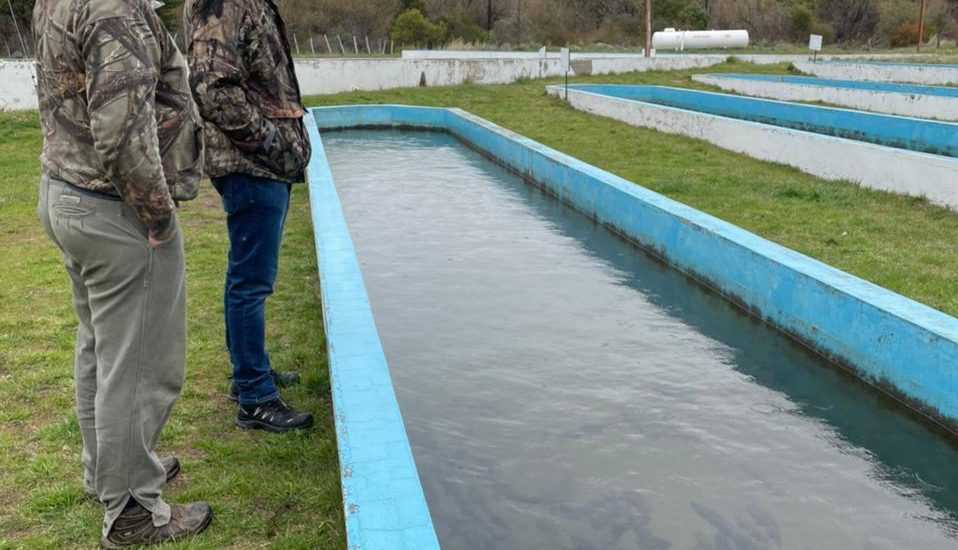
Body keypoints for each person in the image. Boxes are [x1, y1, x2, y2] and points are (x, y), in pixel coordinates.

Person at [33, 0, 212, 546]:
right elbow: (120, 131)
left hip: (67, 191)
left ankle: (108, 473)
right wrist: (156, 214)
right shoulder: (115, 10)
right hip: (113, 208)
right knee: (138, 362)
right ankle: (133, 508)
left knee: (101, 349)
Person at [184, 0, 314, 432]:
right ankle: (255, 397)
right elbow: (212, 87)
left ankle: (250, 375)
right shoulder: (220, 3)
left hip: (263, 166)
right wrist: (271, 143)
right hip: (251, 165)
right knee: (250, 283)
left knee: (249, 279)